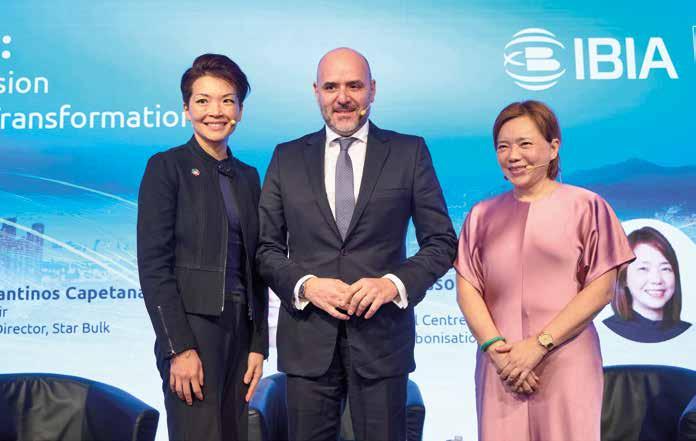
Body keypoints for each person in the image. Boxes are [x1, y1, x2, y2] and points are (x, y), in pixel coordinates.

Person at [256, 47, 457, 441]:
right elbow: (266, 248)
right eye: (331, 87)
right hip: (307, 342)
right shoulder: (286, 157)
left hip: (383, 341)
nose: (343, 97)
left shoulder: (409, 152)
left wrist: (392, 285)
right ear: (316, 91)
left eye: (354, 86)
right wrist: (306, 286)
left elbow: (441, 242)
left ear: (373, 90)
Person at [454, 100, 635, 441]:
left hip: (566, 359)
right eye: (503, 147)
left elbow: (600, 288)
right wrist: (497, 351)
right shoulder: (481, 215)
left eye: (525, 144)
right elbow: (468, 289)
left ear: (553, 148)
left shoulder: (587, 206)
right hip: (501, 367)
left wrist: (539, 345)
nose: (513, 156)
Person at [137, 54, 268, 441]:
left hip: (241, 329)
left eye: (227, 100)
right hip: (192, 329)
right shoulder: (167, 167)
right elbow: (154, 267)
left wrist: (258, 345)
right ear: (187, 109)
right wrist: (179, 348)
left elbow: (257, 264)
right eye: (203, 100)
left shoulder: (248, 176)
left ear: (240, 110)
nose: (216, 111)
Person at [603, 226, 691, 342]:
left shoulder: (690, 334)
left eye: (665, 268)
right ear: (624, 279)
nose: (657, 280)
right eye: (643, 268)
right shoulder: (602, 333)